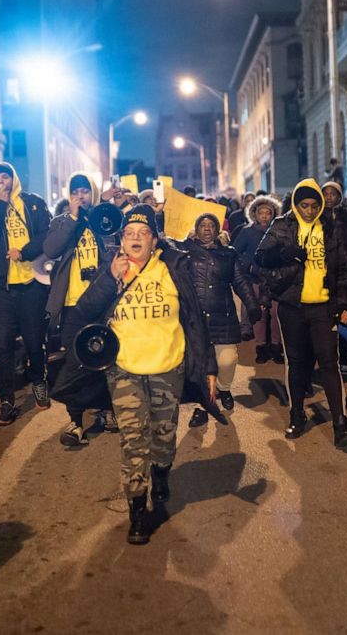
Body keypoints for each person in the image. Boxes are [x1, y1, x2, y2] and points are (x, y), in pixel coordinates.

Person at [74, 205, 217, 545]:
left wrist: (209, 367)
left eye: (143, 233)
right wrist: (110, 278)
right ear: (121, 239)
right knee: (133, 441)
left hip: (168, 366)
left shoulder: (174, 267)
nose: (135, 238)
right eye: (129, 233)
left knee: (164, 438)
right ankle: (137, 509)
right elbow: (82, 313)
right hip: (124, 370)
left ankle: (162, 470)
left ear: (155, 240)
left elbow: (196, 319)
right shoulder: (112, 270)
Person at [255, 179, 347, 447]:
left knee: (329, 364)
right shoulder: (282, 226)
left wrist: (343, 303)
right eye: (304, 205)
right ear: (296, 204)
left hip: (323, 306)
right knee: (297, 363)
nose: (309, 211)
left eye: (314, 205)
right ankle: (296, 414)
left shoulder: (332, 228)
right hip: (292, 306)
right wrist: (286, 253)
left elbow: (344, 269)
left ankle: (340, 424)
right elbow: (260, 258)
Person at [0, 162, 53, 425]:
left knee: (34, 341)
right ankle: (7, 399)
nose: (1, 181)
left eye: (5, 176)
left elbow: (46, 233)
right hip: (2, 288)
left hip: (31, 283)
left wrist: (26, 252)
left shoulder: (33, 202)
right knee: (3, 344)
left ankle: (39, 382)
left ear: (14, 178)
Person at [43, 172, 116, 446]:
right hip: (73, 303)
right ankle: (75, 421)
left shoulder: (105, 219)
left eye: (85, 190)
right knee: (75, 361)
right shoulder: (62, 221)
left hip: (104, 300)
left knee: (108, 357)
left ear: (93, 192)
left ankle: (107, 411)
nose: (81, 195)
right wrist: (73, 218)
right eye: (76, 191)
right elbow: (50, 249)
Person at [183, 213, 261, 424]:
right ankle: (202, 406)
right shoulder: (185, 252)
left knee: (227, 360)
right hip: (195, 319)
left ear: (218, 230)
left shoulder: (228, 254)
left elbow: (240, 281)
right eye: (202, 225)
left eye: (211, 225)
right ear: (196, 229)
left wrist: (252, 305)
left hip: (222, 317)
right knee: (199, 368)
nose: (207, 228)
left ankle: (224, 388)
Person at [232, 194, 283, 363]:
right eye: (261, 213)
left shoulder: (279, 231)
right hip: (254, 278)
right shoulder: (247, 232)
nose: (264, 216)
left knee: (276, 313)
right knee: (259, 314)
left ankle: (276, 346)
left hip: (275, 278)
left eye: (268, 213)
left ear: (273, 214)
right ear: (255, 214)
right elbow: (236, 253)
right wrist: (248, 266)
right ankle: (261, 347)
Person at [321, 181, 347, 375]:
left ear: (339, 196)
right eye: (326, 194)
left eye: (333, 194)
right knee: (325, 318)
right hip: (323, 274)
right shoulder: (318, 217)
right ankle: (327, 359)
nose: (329, 197)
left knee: (346, 317)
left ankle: (345, 359)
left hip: (346, 275)